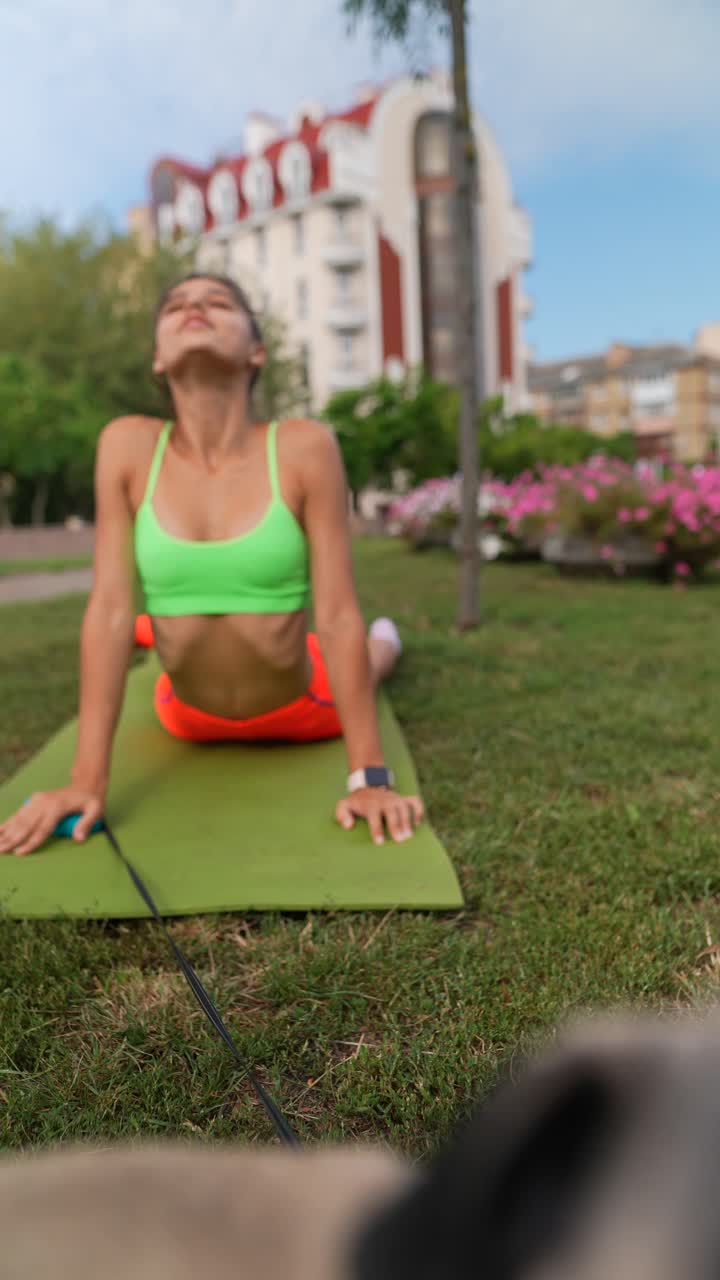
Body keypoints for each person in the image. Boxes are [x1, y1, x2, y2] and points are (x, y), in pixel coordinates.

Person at [0, 273, 424, 858]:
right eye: (175, 305)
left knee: (367, 655)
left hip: (303, 709)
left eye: (217, 302)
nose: (193, 307)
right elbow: (110, 611)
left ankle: (390, 641)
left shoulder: (304, 446)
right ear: (157, 358)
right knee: (145, 623)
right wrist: (83, 783)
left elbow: (336, 613)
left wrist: (369, 779)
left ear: (257, 350)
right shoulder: (126, 445)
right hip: (184, 714)